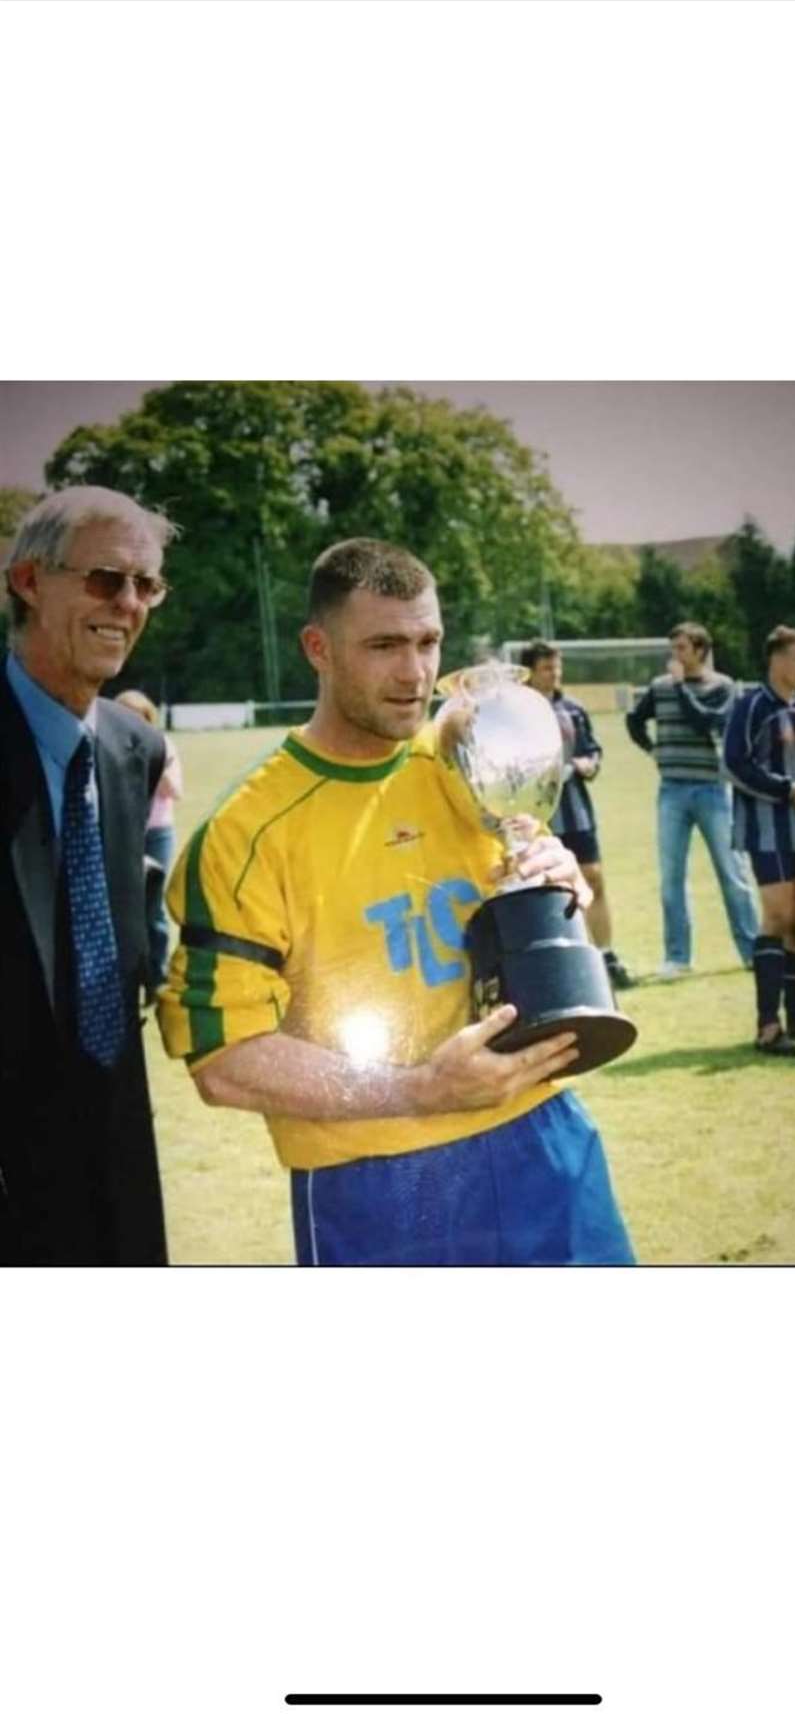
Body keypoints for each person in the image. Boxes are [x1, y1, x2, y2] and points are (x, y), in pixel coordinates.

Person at [158, 539, 634, 1267]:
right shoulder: (244, 834)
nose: (414, 673)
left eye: (427, 642)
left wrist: (556, 880)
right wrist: (418, 1090)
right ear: (318, 648)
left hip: (542, 1136)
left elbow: (538, 878)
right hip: (380, 1178)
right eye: (383, 645)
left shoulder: (467, 760)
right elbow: (224, 1062)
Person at [1, 485, 176, 1264]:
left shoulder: (134, 750)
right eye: (106, 579)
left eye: (147, 585)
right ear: (29, 581)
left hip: (117, 1150)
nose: (129, 603)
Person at [723, 625, 795, 1056]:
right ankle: (767, 1027)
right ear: (777, 661)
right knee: (774, 918)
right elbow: (734, 764)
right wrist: (789, 789)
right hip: (765, 828)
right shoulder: (751, 705)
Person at [625, 621, 758, 976]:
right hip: (671, 791)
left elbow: (708, 723)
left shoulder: (723, 687)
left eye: (682, 649)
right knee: (672, 878)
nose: (675, 656)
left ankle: (752, 951)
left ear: (700, 650)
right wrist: (652, 749)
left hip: (713, 791)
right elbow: (634, 721)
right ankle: (677, 958)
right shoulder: (659, 687)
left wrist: (682, 688)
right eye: (673, 649)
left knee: (733, 874)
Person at [521, 639, 634, 990]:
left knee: (593, 878)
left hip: (577, 809)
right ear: (530, 672)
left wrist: (587, 763)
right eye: (546, 668)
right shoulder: (518, 711)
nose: (554, 674)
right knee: (547, 887)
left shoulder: (573, 708)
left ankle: (606, 954)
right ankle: (562, 962)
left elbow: (592, 750)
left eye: (557, 667)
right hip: (539, 814)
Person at [117, 689, 185, 996]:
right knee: (123, 907)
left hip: (157, 833)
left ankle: (157, 976)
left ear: (147, 718)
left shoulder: (162, 745)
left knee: (153, 907)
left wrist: (148, 758)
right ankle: (127, 976)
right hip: (124, 833)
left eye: (136, 715)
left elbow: (174, 791)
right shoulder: (107, 744)